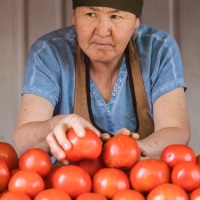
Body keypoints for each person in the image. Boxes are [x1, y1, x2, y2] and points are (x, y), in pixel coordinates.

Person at [12, 0, 191, 164]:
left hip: (142, 187)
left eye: (116, 16)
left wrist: (128, 151)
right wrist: (53, 126)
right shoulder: (48, 52)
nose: (103, 31)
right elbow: (22, 141)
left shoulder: (159, 48)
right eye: (91, 14)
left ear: (136, 22)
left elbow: (176, 130)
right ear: (74, 17)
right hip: (69, 190)